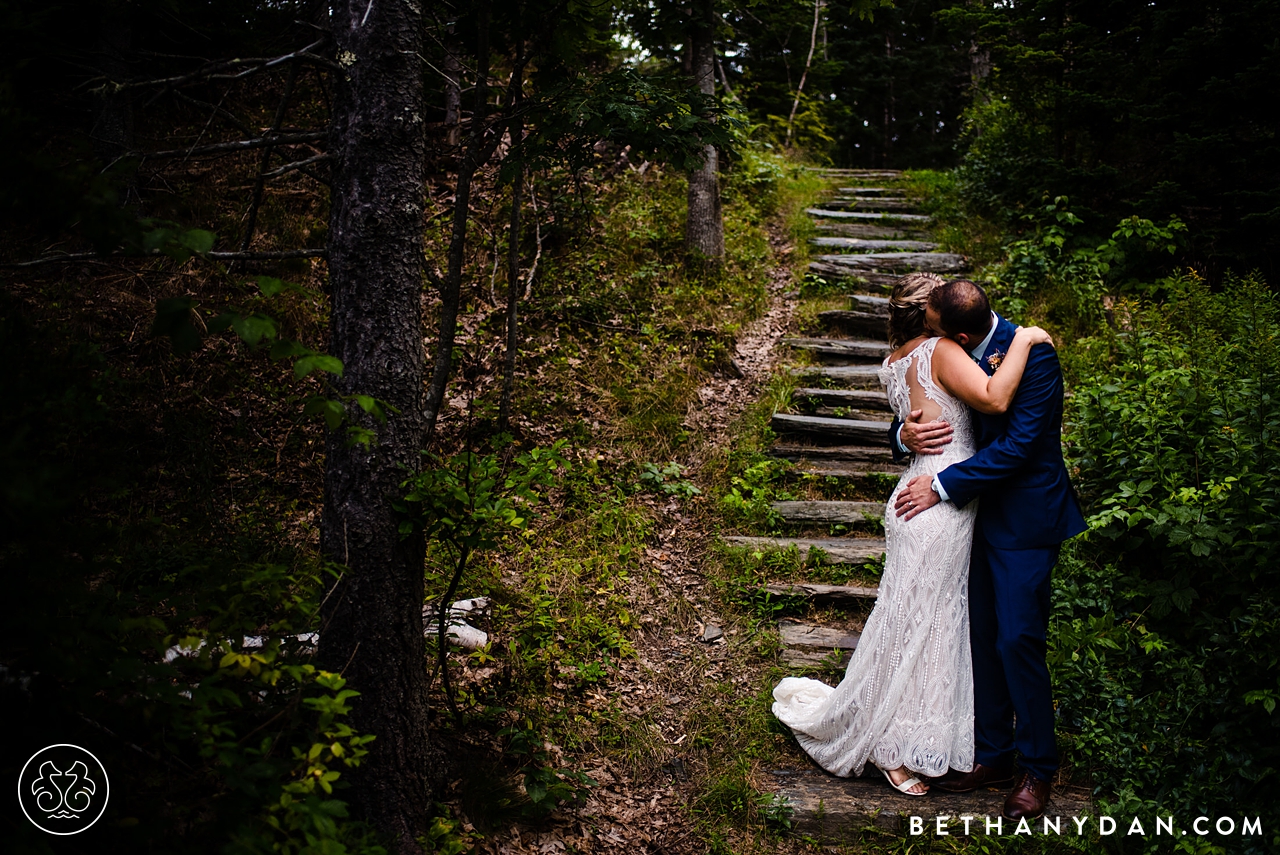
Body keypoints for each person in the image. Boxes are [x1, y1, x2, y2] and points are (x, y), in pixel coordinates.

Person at [771, 273, 1055, 797]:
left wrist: (917, 449)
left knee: (964, 629)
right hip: (940, 504)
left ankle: (1022, 762)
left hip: (980, 507)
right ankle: (916, 743)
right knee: (931, 622)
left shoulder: (915, 357)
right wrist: (902, 435)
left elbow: (1008, 442)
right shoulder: (944, 349)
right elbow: (976, 405)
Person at [891, 279, 1086, 819]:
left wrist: (941, 484)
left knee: (1018, 639)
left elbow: (1021, 446)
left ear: (956, 327)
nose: (927, 333)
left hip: (1024, 518)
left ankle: (1038, 768)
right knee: (979, 635)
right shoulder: (953, 350)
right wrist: (902, 436)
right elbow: (926, 403)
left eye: (932, 325)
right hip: (969, 519)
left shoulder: (1033, 353)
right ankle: (993, 754)